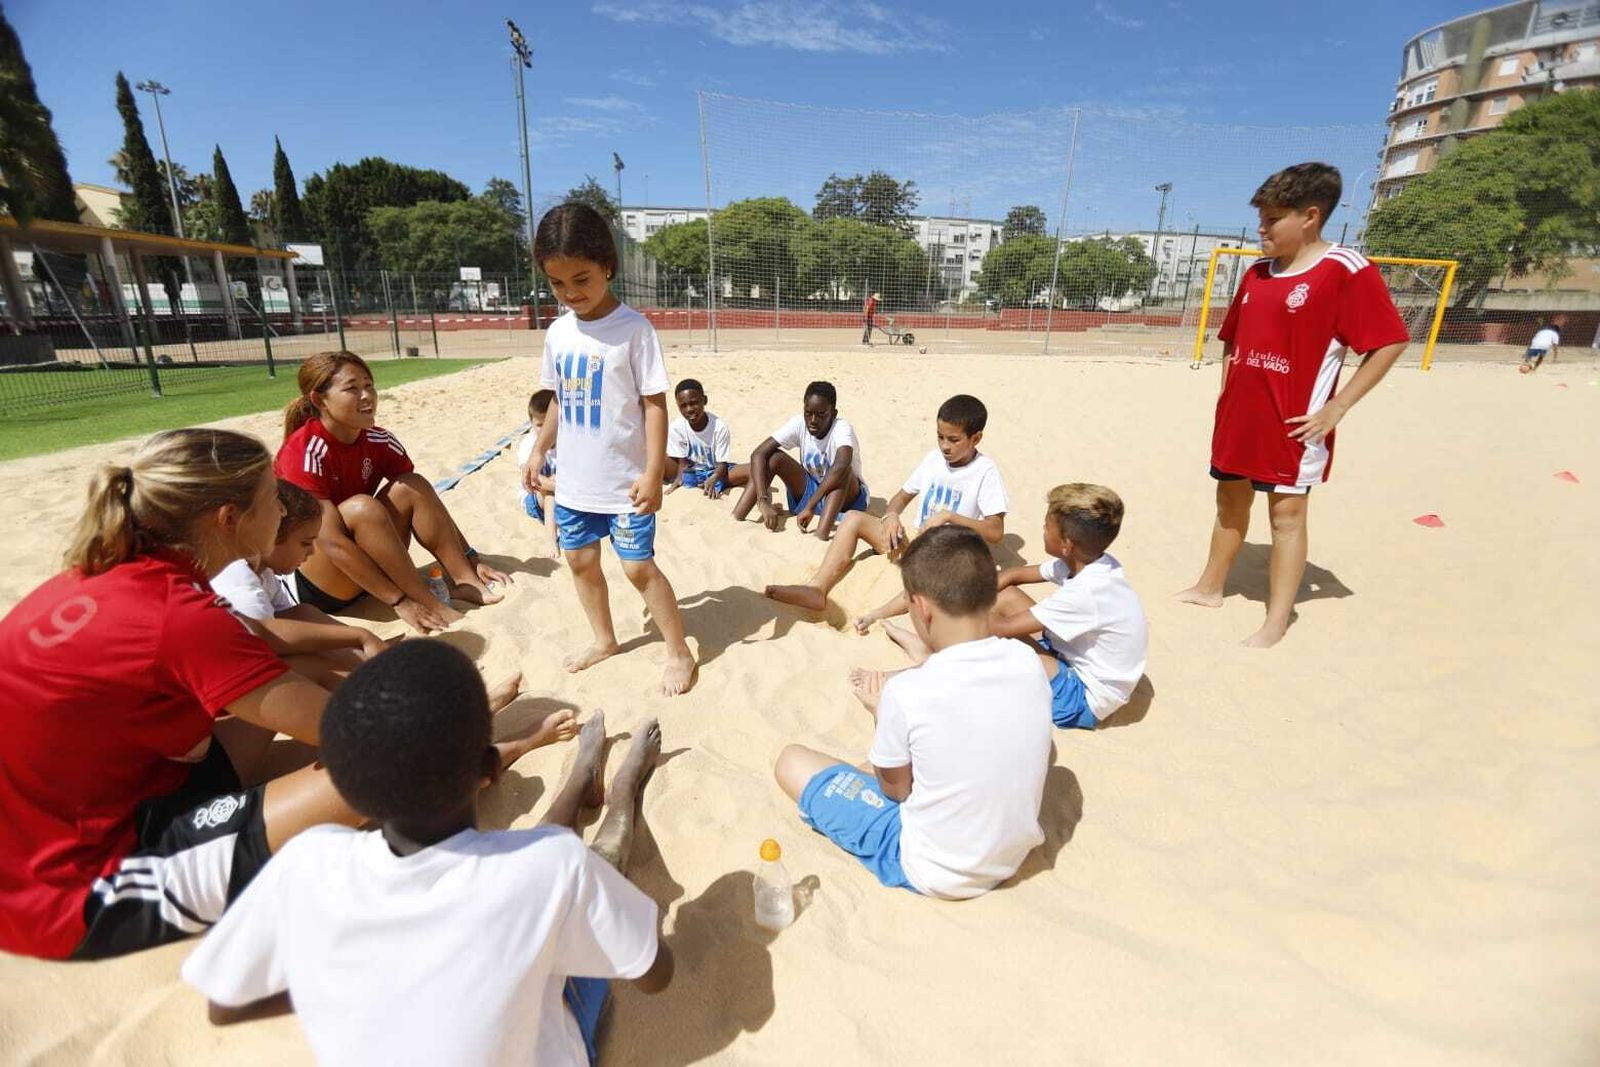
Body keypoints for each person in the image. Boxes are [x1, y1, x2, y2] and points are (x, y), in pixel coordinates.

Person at [182, 641, 673, 1066]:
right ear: (489, 768)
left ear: (351, 789)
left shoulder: (307, 862)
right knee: (563, 878)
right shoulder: (551, 868)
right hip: (544, 1026)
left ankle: (581, 778)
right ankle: (623, 784)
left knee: (540, 876)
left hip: (527, 883)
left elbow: (224, 1004)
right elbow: (654, 974)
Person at [0, 429, 364, 960]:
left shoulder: (95, 575)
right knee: (385, 767)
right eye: (272, 503)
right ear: (228, 519)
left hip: (65, 822)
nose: (283, 517)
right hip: (74, 894)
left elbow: (261, 662)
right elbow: (360, 736)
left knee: (284, 689)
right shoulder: (180, 615)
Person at [1174, 162, 1410, 647]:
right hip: (1240, 418)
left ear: (1310, 215)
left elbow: (1389, 342)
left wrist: (1336, 409)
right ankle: (1210, 587)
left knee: (1286, 517)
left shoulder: (1345, 270)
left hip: (1294, 426)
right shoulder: (1258, 274)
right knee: (1228, 501)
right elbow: (1232, 340)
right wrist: (1226, 394)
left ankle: (1276, 619)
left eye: (1272, 218)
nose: (1261, 228)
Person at [774, 526, 1051, 899]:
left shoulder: (905, 693)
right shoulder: (1027, 662)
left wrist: (878, 713)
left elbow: (895, 790)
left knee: (791, 762)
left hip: (935, 867)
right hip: (1011, 853)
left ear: (920, 608)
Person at [521, 202, 697, 696]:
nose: (571, 293)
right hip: (575, 482)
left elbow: (655, 406)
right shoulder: (558, 332)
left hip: (625, 483)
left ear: (608, 267)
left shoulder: (634, 330)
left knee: (638, 567)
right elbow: (558, 397)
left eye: (582, 278)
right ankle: (604, 640)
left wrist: (652, 471)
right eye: (557, 283)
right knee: (580, 562)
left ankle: (678, 650)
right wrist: (539, 449)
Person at [875, 484, 1147, 731]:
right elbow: (1013, 576)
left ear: (1067, 544)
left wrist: (951, 612)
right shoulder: (1089, 561)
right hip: (1070, 655)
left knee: (997, 649)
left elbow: (1002, 628)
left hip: (1082, 697)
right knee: (1005, 597)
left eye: (1046, 525)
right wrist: (970, 592)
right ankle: (941, 649)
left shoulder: (1088, 592)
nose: (1042, 529)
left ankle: (922, 668)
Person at [276, 351, 511, 635]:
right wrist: (400, 601)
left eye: (369, 385)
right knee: (363, 508)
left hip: (367, 569)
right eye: (352, 388)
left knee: (412, 485)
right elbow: (331, 542)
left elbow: (427, 502)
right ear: (319, 400)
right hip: (317, 582)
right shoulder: (305, 451)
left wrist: (471, 557)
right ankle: (428, 603)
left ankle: (464, 580)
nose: (367, 396)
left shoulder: (379, 439)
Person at [765, 394, 1007, 616]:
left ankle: (878, 614)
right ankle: (817, 589)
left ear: (976, 438)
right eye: (940, 437)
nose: (945, 446)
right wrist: (891, 516)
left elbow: (995, 531)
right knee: (853, 518)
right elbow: (900, 498)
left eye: (953, 440)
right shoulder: (934, 459)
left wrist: (950, 518)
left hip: (949, 552)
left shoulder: (985, 471)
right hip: (914, 540)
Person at [212, 479, 389, 679]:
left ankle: (377, 668)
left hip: (252, 655)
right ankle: (371, 686)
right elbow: (267, 640)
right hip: (231, 674)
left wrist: (359, 642)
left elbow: (294, 622)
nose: (312, 552)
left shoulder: (264, 571)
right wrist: (359, 635)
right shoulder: (239, 582)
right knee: (309, 664)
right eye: (305, 543)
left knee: (303, 614)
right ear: (272, 536)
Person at [731, 380, 868, 541]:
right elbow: (758, 454)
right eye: (808, 413)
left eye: (821, 414)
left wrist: (810, 506)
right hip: (812, 492)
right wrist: (763, 501)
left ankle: (820, 536)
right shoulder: (799, 424)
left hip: (846, 501)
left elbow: (842, 464)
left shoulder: (842, 428)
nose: (813, 420)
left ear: (834, 413)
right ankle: (737, 519)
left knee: (842, 471)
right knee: (774, 457)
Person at [663, 378, 741, 499]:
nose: (689, 409)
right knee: (653, 456)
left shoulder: (719, 427)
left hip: (715, 470)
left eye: (694, 403)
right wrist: (679, 480)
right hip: (691, 472)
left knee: (754, 469)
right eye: (683, 406)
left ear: (704, 400)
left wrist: (714, 478)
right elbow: (682, 464)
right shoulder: (676, 428)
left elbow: (722, 464)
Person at [517, 389, 560, 557]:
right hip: (535, 498)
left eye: (548, 424)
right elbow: (531, 480)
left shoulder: (566, 439)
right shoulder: (529, 444)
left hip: (566, 495)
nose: (544, 430)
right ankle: (551, 538)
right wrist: (561, 485)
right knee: (550, 492)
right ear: (531, 423)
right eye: (539, 425)